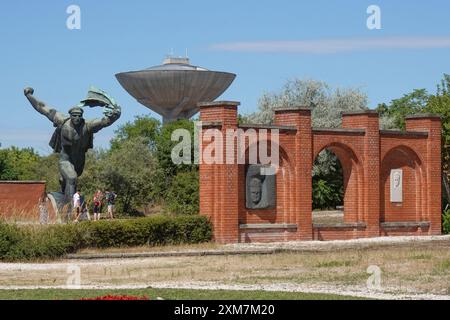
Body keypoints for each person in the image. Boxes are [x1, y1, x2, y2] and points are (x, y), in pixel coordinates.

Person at [24, 87, 121, 204]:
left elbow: (104, 122)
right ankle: (69, 210)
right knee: (72, 177)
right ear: (70, 115)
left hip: (79, 162)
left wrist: (115, 115)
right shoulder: (62, 121)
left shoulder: (87, 126)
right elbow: (42, 107)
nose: (77, 118)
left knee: (72, 180)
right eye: (74, 115)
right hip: (65, 160)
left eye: (79, 115)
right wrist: (29, 96)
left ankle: (65, 190)